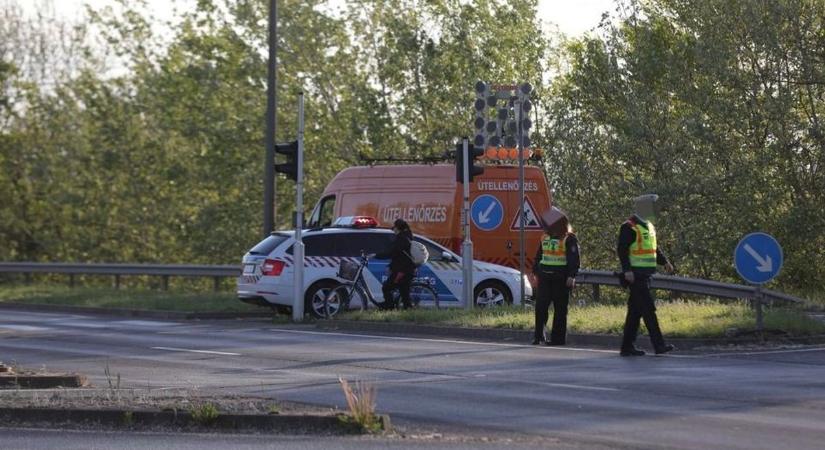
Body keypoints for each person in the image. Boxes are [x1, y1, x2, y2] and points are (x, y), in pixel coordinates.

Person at [616, 194, 676, 356]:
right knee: (649, 311)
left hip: (645, 275)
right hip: (635, 276)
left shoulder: (648, 226)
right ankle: (659, 345)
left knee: (635, 313)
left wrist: (665, 262)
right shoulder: (629, 226)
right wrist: (627, 270)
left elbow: (654, 249)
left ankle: (626, 347)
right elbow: (622, 250)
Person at [532, 207, 580, 346]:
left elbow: (574, 258)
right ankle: (539, 336)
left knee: (560, 310)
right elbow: (539, 256)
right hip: (545, 277)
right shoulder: (545, 237)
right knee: (540, 307)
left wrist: (572, 276)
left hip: (561, 278)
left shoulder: (569, 238)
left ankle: (558, 339)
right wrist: (535, 272)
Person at [374, 218, 415, 309]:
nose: (393, 230)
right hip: (406, 270)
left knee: (386, 287)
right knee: (404, 293)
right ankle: (406, 311)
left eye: (394, 228)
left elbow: (391, 252)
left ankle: (389, 306)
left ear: (398, 228)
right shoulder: (407, 236)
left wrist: (376, 255)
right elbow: (398, 256)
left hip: (402, 271)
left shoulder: (402, 239)